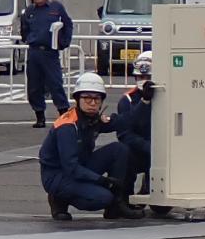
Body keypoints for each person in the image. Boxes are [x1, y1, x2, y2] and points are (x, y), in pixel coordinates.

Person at [41, 73, 139, 221]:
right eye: (87, 98)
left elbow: (126, 121)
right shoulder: (67, 127)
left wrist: (144, 101)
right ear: (77, 99)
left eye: (97, 98)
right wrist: (101, 180)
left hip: (82, 165)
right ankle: (59, 198)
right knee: (103, 197)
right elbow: (70, 167)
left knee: (119, 149)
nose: (92, 103)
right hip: (59, 175)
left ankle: (117, 205)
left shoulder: (93, 119)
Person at [18, 0, 72, 128]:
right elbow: (24, 30)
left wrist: (63, 42)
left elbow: (68, 24)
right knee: (34, 86)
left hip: (50, 52)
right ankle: (39, 116)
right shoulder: (29, 11)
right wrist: (29, 39)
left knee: (55, 84)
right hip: (34, 52)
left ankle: (64, 114)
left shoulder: (56, 7)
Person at [113, 57, 155, 195]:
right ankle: (125, 197)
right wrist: (147, 146)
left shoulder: (166, 96)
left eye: (148, 76)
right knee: (122, 154)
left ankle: (149, 187)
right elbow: (124, 134)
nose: (144, 80)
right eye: (140, 77)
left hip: (161, 150)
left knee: (160, 209)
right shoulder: (127, 100)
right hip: (137, 150)